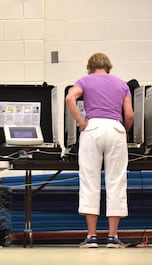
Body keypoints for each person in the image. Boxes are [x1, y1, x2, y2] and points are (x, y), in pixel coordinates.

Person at [65, 52, 134, 248]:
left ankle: (92, 236)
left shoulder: (85, 80)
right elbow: (129, 114)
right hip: (115, 128)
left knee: (90, 181)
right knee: (116, 181)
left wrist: (80, 122)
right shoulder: (122, 84)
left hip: (92, 128)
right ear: (109, 68)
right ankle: (113, 237)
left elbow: (70, 98)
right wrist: (124, 131)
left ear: (89, 68)